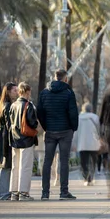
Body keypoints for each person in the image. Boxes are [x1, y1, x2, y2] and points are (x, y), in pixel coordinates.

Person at [38, 69, 78, 200]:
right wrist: (73, 127)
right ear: (65, 78)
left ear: (54, 77)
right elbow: (73, 112)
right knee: (64, 161)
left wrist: (46, 127)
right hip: (65, 131)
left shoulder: (44, 93)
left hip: (50, 131)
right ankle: (64, 192)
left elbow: (40, 112)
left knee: (47, 161)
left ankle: (45, 193)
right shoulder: (68, 93)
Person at [8, 82, 38, 201]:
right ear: (27, 92)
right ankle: (24, 192)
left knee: (15, 166)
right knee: (25, 166)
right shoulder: (28, 105)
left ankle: (14, 192)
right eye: (29, 92)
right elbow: (32, 122)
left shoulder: (13, 105)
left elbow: (10, 122)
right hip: (26, 140)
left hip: (15, 139)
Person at [0, 82, 17, 200]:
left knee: (5, 166)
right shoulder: (7, 106)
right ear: (8, 92)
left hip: (2, 137)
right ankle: (3, 194)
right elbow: (9, 125)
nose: (16, 92)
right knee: (6, 166)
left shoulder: (2, 104)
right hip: (5, 138)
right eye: (14, 90)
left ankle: (4, 193)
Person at [75, 103, 101, 186]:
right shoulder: (95, 117)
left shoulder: (78, 118)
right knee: (93, 161)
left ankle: (86, 178)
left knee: (84, 162)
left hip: (82, 144)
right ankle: (92, 177)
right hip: (94, 144)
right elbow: (99, 130)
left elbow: (75, 132)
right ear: (91, 109)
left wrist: (74, 143)